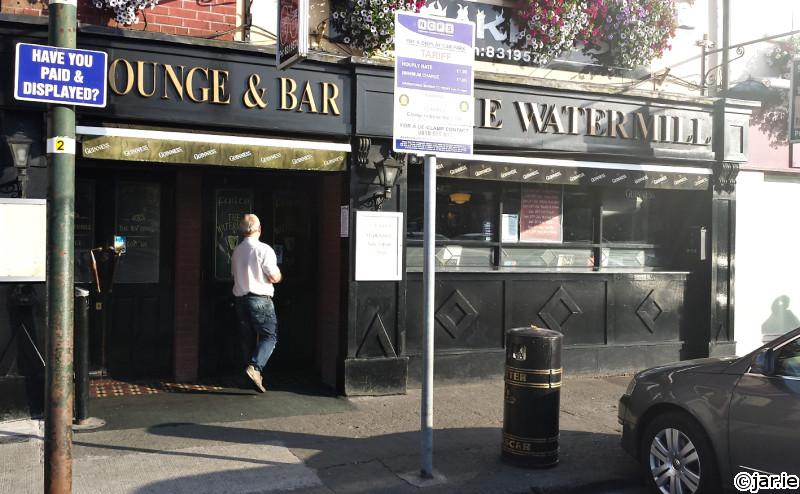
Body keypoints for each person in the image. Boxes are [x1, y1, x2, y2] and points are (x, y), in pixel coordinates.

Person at [231, 213, 282, 393]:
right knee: (270, 336)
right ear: (259, 229)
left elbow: (234, 275)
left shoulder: (236, 251)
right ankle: (255, 368)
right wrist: (278, 276)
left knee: (247, 338)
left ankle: (248, 377)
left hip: (241, 300)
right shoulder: (263, 249)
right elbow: (274, 276)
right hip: (260, 300)